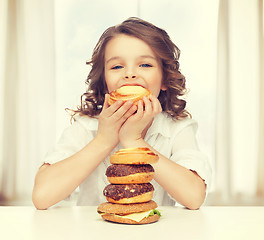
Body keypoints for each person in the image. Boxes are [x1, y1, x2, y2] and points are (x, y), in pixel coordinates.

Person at [32, 17, 211, 210]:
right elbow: (42, 196)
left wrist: (135, 142)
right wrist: (103, 140)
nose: (130, 74)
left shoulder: (177, 128)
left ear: (164, 80)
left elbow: (194, 197)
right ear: (104, 82)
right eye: (117, 66)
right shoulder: (86, 126)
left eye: (145, 65)